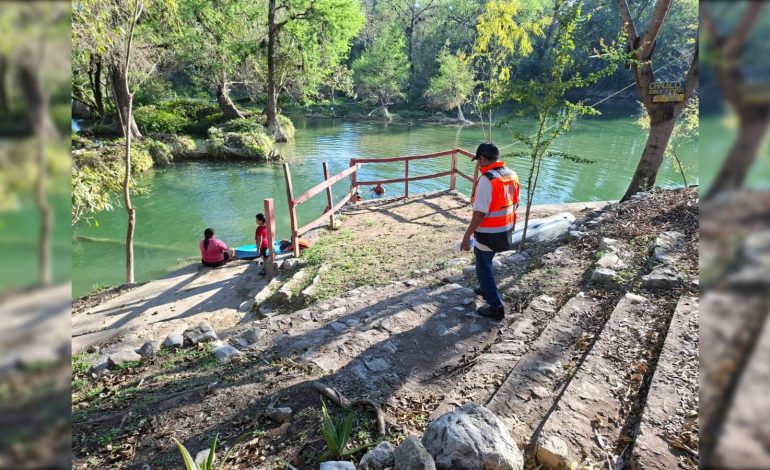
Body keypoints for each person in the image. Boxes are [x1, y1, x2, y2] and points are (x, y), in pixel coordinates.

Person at [460, 143, 520, 321]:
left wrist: (467, 236)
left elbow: (480, 212)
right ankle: (485, 288)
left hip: (489, 232)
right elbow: (516, 203)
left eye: (478, 160)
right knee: (485, 258)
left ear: (483, 159)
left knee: (482, 267)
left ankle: (496, 305)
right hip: (506, 228)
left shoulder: (487, 180)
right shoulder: (511, 174)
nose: (478, 164)